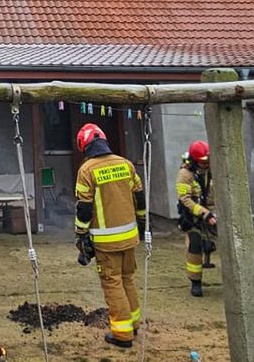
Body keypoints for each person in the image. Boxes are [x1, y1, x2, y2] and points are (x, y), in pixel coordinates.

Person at [177, 140, 254, 297]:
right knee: (194, 247)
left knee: (238, 242)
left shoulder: (213, 169)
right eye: (203, 162)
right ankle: (195, 282)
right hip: (193, 218)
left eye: (208, 160)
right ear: (194, 160)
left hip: (214, 214)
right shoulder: (185, 175)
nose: (206, 164)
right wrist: (205, 214)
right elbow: (185, 200)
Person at [74, 123, 146, 348]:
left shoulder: (87, 170)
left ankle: (123, 335)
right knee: (128, 280)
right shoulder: (126, 164)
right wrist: (142, 222)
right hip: (130, 236)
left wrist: (80, 234)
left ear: (84, 146)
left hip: (106, 242)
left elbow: (84, 208)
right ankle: (134, 324)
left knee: (112, 284)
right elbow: (140, 197)